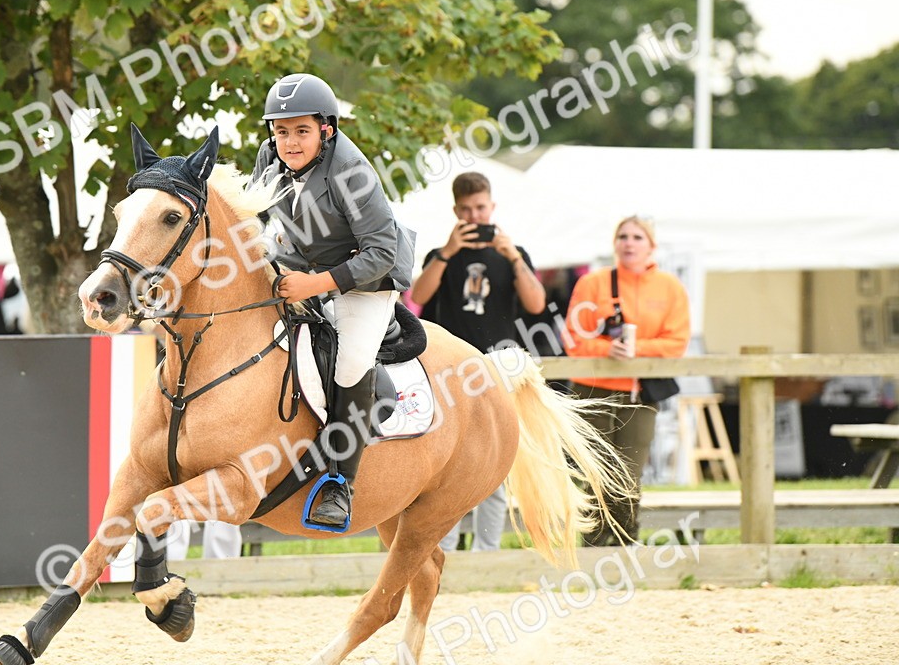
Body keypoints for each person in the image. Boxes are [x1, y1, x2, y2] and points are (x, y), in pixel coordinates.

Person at [252, 72, 416, 528]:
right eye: (281, 131)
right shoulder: (269, 156)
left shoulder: (352, 171)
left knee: (349, 364)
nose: (289, 142)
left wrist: (314, 285)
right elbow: (254, 217)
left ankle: (340, 482)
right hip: (298, 266)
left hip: (365, 278)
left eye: (301, 131)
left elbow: (380, 252)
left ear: (326, 128)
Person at [408, 171, 547, 551]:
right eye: (467, 210)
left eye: (481, 208)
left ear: (492, 206)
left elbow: (536, 303)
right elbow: (418, 296)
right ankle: (445, 550)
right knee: (447, 464)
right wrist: (447, 252)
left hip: (500, 367)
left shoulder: (514, 254)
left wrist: (513, 256)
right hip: (451, 370)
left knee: (496, 467)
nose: (475, 217)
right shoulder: (442, 255)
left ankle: (487, 552)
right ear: (456, 211)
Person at [563, 215, 691, 545]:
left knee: (629, 477)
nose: (629, 243)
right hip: (592, 390)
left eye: (637, 237)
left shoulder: (669, 287)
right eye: (623, 236)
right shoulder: (593, 284)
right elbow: (574, 339)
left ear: (652, 246)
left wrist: (636, 349)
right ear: (614, 244)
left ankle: (625, 546)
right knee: (595, 474)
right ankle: (591, 550)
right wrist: (607, 349)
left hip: (639, 393)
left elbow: (676, 343)